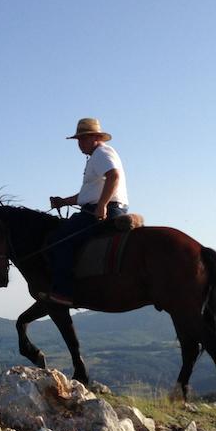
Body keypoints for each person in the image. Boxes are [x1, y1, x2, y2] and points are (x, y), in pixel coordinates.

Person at [42, 118, 129, 306]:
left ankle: (64, 292)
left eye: (83, 139)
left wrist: (102, 205)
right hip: (104, 207)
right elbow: (89, 193)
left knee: (58, 241)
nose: (79, 144)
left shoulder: (102, 153)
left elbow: (114, 176)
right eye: (78, 140)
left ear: (96, 137)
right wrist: (63, 201)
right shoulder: (97, 157)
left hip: (104, 210)